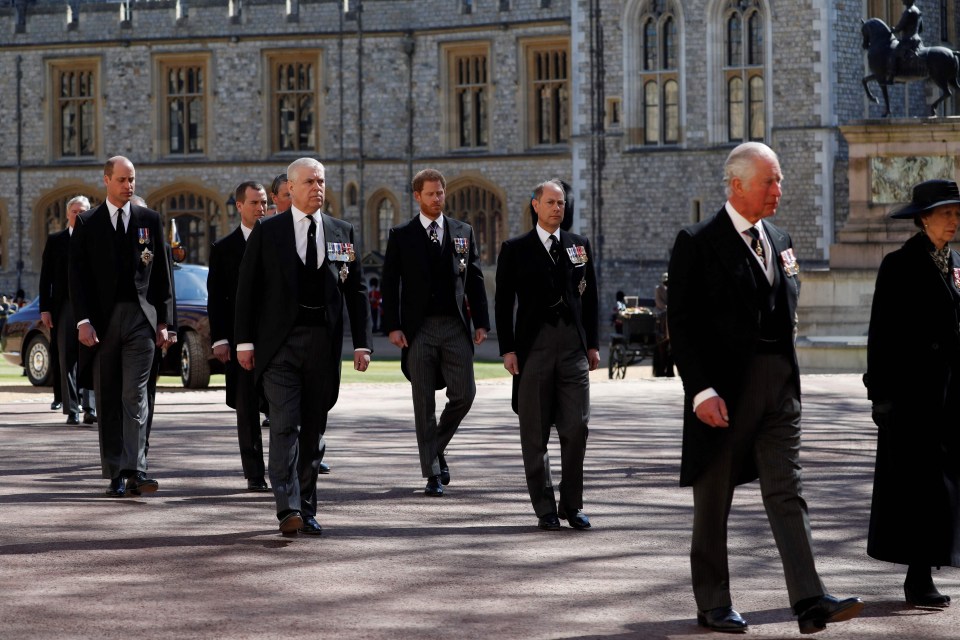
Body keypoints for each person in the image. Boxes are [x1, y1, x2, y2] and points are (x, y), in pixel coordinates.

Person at [667, 142, 864, 634]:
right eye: (769, 182)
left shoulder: (780, 237)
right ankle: (713, 602)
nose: (779, 191)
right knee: (714, 500)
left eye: (779, 181)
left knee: (787, 490)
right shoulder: (697, 240)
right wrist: (701, 391)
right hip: (725, 392)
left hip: (780, 387)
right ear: (736, 185)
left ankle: (809, 598)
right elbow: (682, 326)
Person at [235, 157, 371, 536]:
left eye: (322, 181)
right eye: (310, 181)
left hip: (322, 346)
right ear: (290, 189)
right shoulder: (268, 231)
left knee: (313, 430)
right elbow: (247, 290)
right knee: (284, 425)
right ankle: (287, 507)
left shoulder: (342, 232)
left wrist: (362, 343)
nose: (318, 187)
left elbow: (356, 292)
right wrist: (244, 342)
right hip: (279, 346)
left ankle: (307, 506)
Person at [864, 178, 960, 608]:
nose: (954, 221)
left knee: (943, 487)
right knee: (918, 489)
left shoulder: (955, 262)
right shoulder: (898, 264)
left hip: (949, 396)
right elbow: (881, 335)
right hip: (912, 397)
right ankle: (918, 577)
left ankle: (931, 566)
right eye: (946, 213)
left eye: (957, 213)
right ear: (924, 220)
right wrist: (880, 395)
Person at [495, 178, 599, 531]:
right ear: (535, 205)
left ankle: (573, 505)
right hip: (533, 348)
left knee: (577, 427)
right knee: (535, 432)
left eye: (562, 203)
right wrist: (507, 348)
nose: (558, 208)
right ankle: (545, 508)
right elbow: (503, 301)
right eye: (551, 202)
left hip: (572, 347)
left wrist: (593, 344)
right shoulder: (516, 248)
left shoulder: (579, 246)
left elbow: (592, 299)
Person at [69, 156, 174, 498]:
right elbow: (78, 278)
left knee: (136, 394)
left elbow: (162, 277)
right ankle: (115, 470)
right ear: (106, 181)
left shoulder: (149, 219)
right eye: (122, 180)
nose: (129, 186)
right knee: (109, 396)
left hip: (141, 320)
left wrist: (164, 323)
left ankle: (136, 469)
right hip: (103, 322)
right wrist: (83, 321)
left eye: (132, 180)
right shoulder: (87, 222)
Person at [381, 168, 489, 497]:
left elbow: (475, 278)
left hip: (455, 325)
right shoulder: (401, 235)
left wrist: (482, 321)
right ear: (417, 196)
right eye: (430, 194)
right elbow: (389, 283)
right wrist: (393, 326)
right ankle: (432, 473)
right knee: (423, 402)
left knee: (464, 394)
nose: (437, 198)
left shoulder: (462, 231)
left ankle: (435, 449)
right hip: (418, 329)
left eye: (440, 193)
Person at [208, 181, 270, 492]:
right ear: (239, 206)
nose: (261, 208)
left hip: (275, 338)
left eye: (264, 203)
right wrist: (220, 338)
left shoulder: (280, 241)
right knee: (246, 409)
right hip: (239, 340)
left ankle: (287, 466)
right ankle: (255, 473)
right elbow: (216, 297)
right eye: (255, 203)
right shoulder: (224, 248)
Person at [39, 195, 97, 426]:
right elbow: (46, 279)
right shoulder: (56, 241)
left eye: (83, 211)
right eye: (75, 211)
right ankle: (72, 409)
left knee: (90, 356)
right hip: (64, 307)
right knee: (67, 358)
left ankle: (90, 408)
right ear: (67, 214)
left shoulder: (95, 240)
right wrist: (45, 309)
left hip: (90, 307)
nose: (79, 214)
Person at [887, 0, 923, 83]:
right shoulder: (918, 11)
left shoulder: (908, 11)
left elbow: (900, 27)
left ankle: (892, 76)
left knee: (893, 55)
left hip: (908, 40)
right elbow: (921, 28)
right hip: (917, 40)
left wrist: (893, 29)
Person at [652, 272, 674, 377]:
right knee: (664, 316)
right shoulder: (658, 289)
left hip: (670, 311)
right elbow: (658, 301)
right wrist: (666, 308)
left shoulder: (672, 289)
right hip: (661, 311)